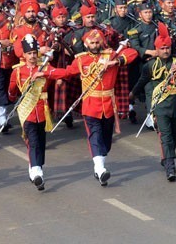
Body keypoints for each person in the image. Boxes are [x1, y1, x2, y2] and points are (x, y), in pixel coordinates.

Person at [44, 29, 138, 186]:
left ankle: (99, 165)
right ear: (86, 44)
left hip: (108, 105)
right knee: (95, 136)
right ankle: (100, 169)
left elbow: (132, 53)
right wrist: (48, 73)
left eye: (97, 42)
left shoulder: (111, 55)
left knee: (106, 142)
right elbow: (67, 72)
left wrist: (115, 62)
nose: (95, 45)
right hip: (90, 105)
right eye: (92, 43)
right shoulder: (81, 60)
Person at [130, 23, 176, 181]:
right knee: (165, 135)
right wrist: (132, 94)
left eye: (168, 48)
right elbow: (142, 81)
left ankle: (166, 157)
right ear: (157, 50)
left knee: (175, 134)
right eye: (163, 48)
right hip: (160, 105)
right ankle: (171, 167)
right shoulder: (150, 65)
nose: (166, 51)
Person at [8, 34, 52, 190]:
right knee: (32, 141)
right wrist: (12, 97)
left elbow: (61, 73)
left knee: (41, 142)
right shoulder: (18, 71)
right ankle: (37, 172)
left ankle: (35, 168)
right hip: (27, 110)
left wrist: (47, 74)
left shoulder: (45, 66)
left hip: (43, 109)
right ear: (24, 55)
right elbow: (12, 89)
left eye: (35, 52)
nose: (33, 56)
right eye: (29, 53)